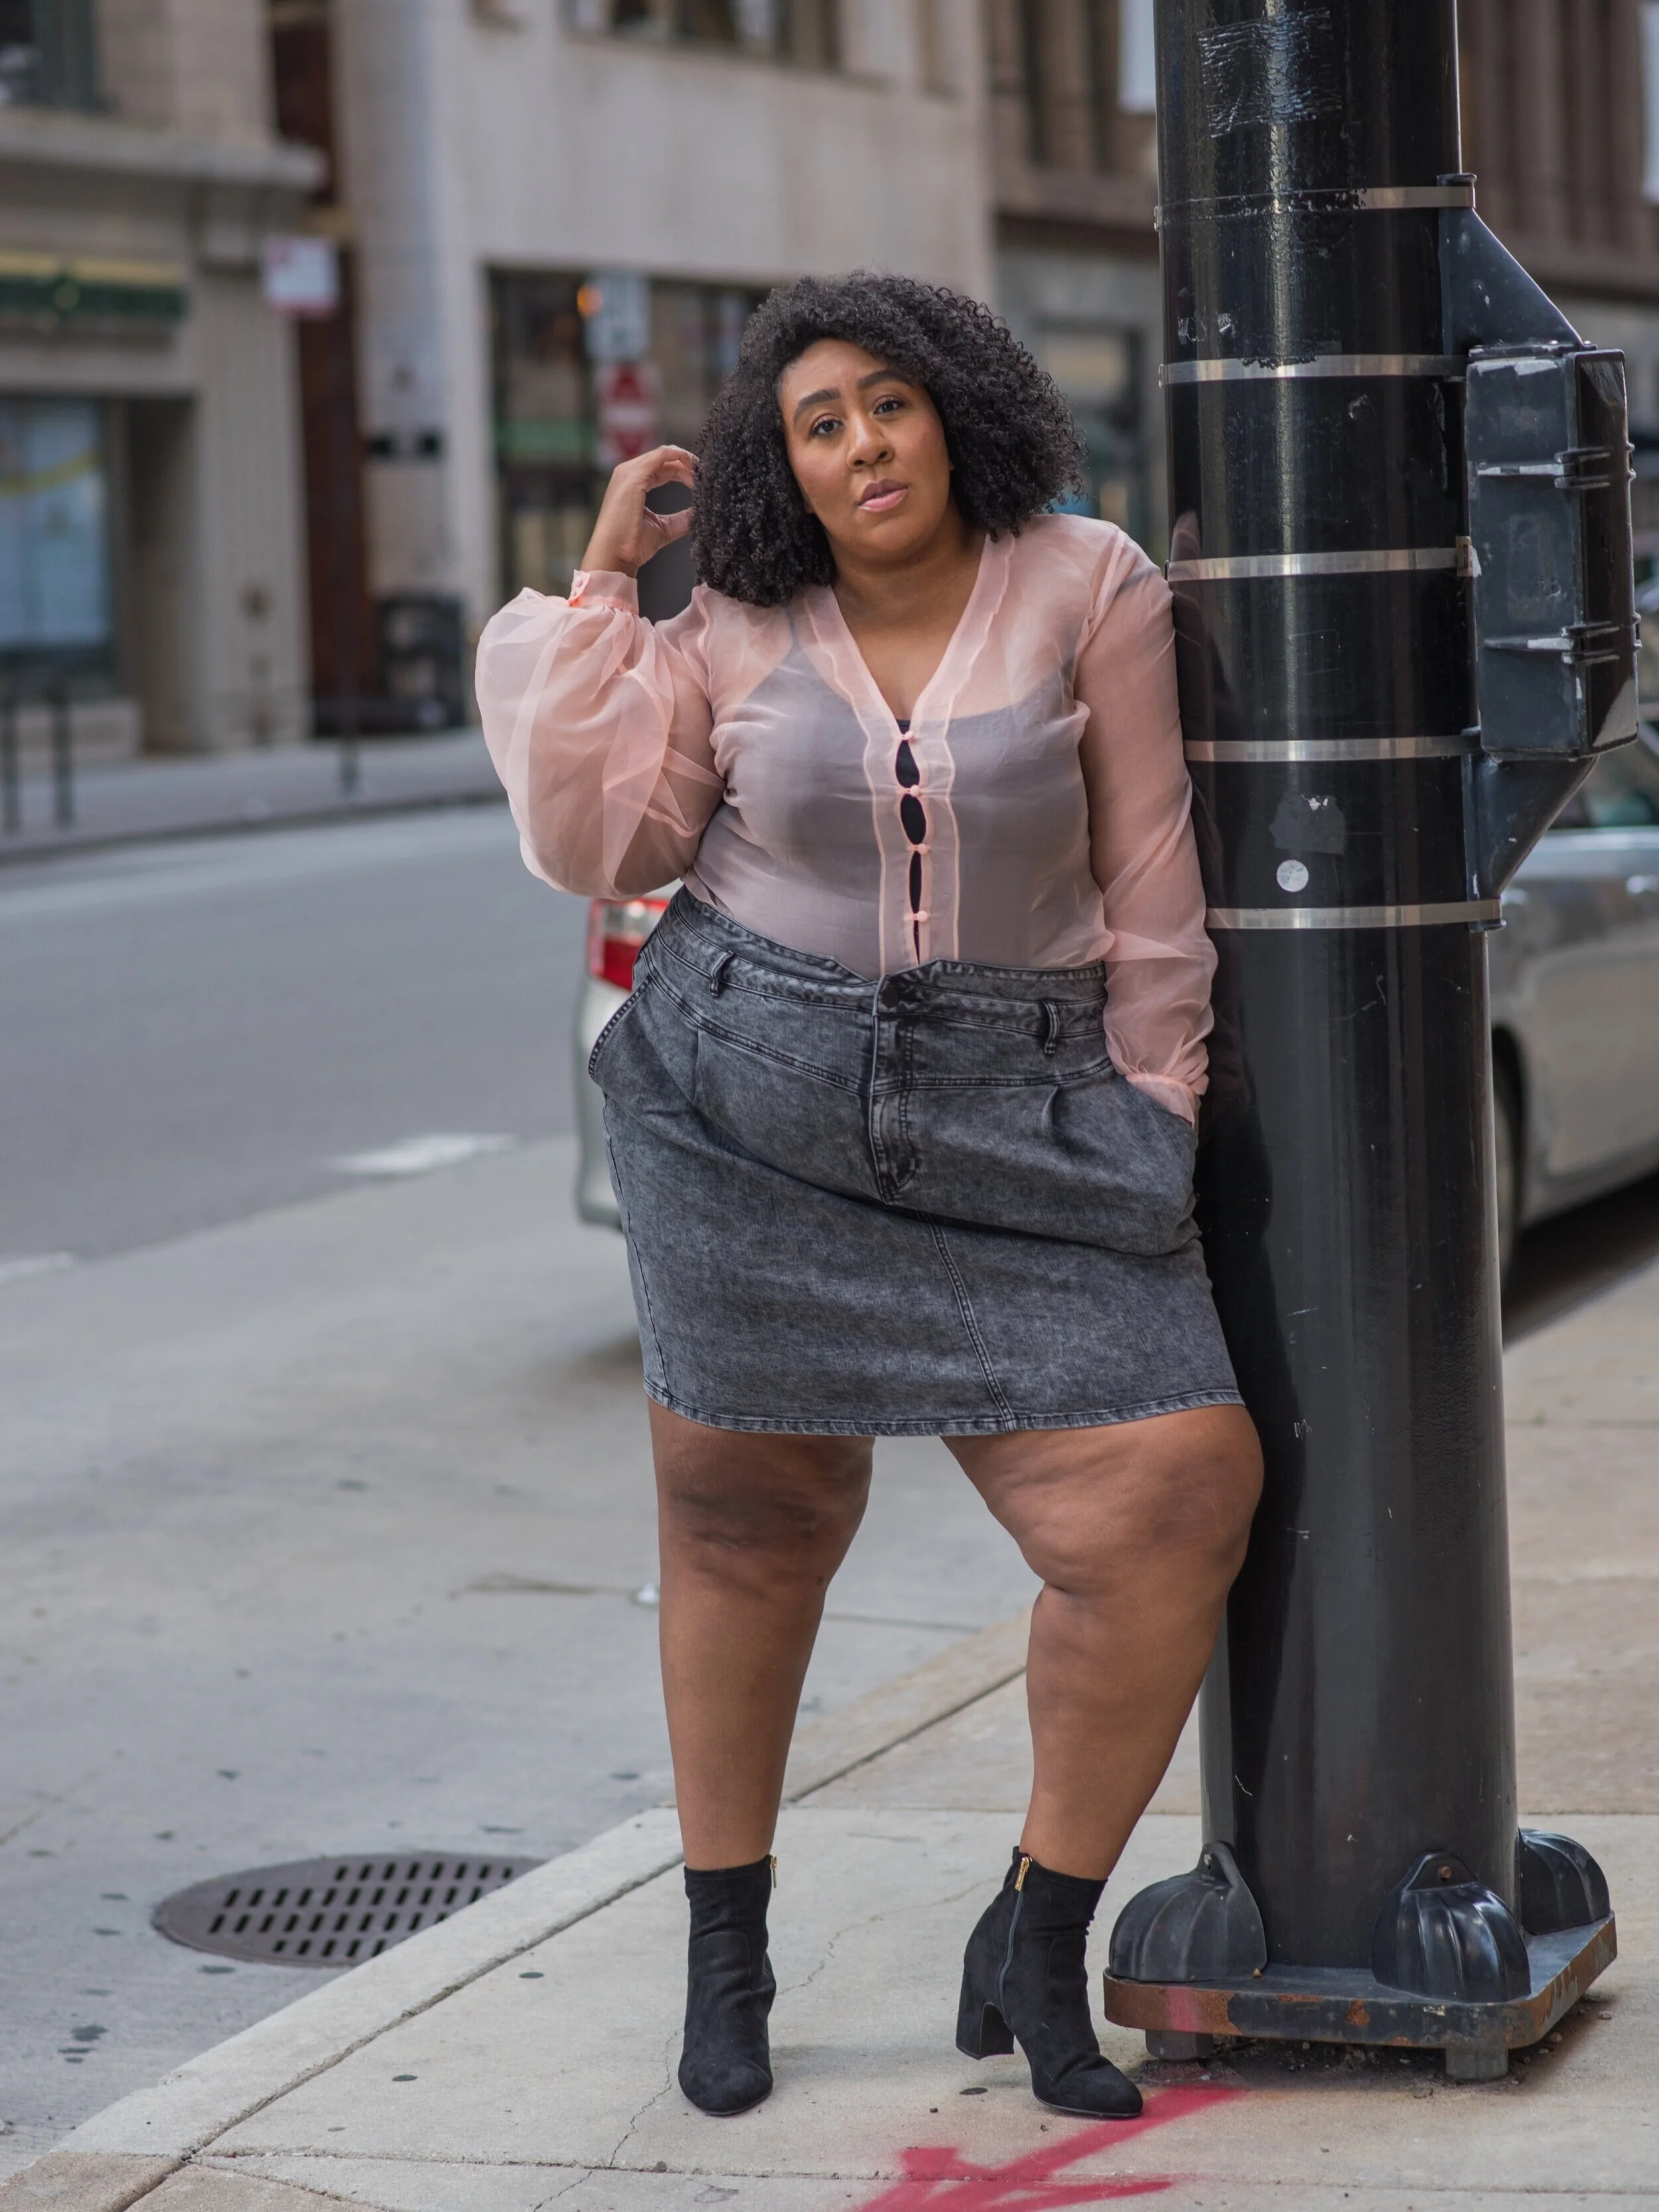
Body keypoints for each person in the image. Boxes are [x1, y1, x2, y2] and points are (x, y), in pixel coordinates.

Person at [476, 273, 1262, 2124]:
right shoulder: (732, 616)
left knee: (1177, 1486)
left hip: (1028, 1095)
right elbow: (601, 842)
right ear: (782, 466)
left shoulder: (1087, 578)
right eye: (817, 422)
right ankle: (726, 1948)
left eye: (887, 403)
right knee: (748, 1518)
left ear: (958, 410)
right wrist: (606, 587)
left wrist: (1154, 1107)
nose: (860, 444)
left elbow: (1153, 878)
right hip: (743, 1088)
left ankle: (1038, 1929)